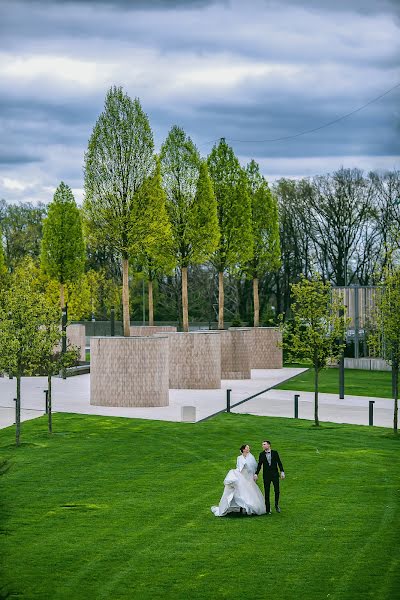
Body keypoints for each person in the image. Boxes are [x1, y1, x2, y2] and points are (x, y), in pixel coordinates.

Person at [211, 444, 266, 517]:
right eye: (247, 448)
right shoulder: (239, 458)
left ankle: (248, 508)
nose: (248, 449)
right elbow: (238, 466)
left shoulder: (251, 457)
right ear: (243, 449)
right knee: (239, 491)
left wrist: (254, 475)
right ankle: (240, 507)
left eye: (248, 448)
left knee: (249, 491)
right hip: (241, 475)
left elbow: (254, 467)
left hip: (248, 476)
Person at [254, 440, 285, 515]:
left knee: (277, 490)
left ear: (269, 445)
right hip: (266, 476)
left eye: (264, 444)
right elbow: (259, 465)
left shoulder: (275, 453)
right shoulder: (261, 454)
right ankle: (268, 509)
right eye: (262, 445)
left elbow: (279, 462)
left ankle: (276, 505)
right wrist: (256, 474)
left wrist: (282, 472)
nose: (263, 446)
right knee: (267, 492)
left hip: (275, 475)